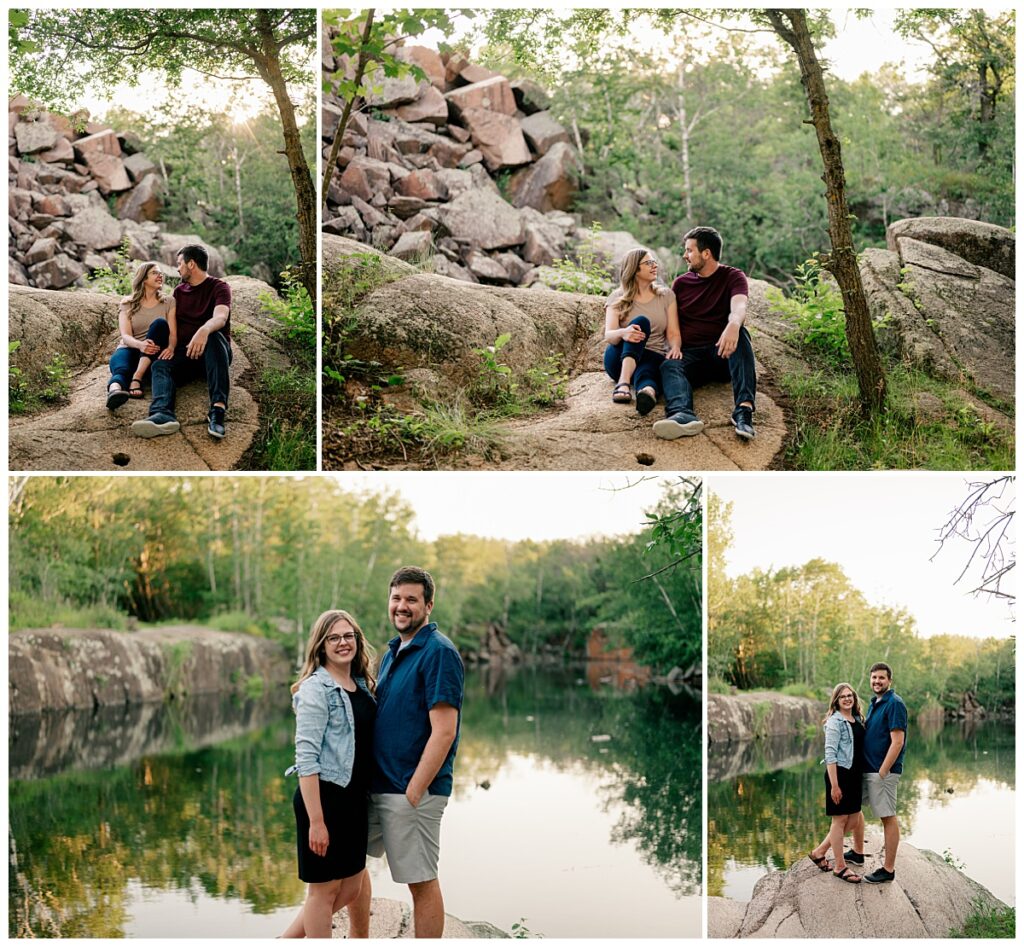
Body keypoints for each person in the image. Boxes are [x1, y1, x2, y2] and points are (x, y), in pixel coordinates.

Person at [348, 566, 464, 939]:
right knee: (349, 864)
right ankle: (359, 938)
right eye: (396, 598)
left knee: (421, 881)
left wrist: (415, 789)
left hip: (411, 791)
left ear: (428, 605)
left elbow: (444, 731)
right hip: (378, 785)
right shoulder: (394, 651)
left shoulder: (439, 653)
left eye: (411, 599)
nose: (402, 606)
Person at [280, 610, 377, 938]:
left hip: (353, 801)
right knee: (322, 893)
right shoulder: (315, 689)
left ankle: (284, 941)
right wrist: (317, 821)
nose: (342, 642)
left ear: (357, 639)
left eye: (348, 635)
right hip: (324, 799)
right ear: (321, 646)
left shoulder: (360, 684)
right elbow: (306, 760)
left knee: (351, 887)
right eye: (333, 638)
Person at [654, 226, 757, 441]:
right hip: (692, 358)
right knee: (669, 365)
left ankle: (743, 412)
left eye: (689, 251)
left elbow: (739, 306)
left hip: (722, 354)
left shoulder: (733, 276)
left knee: (742, 336)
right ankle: (682, 414)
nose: (685, 256)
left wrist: (733, 324)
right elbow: (671, 321)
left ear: (706, 253)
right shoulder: (681, 283)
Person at [131, 243, 232, 440]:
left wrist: (204, 329)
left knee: (213, 335)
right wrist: (168, 346)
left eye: (180, 263)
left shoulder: (219, 287)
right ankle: (162, 415)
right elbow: (171, 325)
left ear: (191, 264)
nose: (177, 268)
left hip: (214, 354)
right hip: (187, 355)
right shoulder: (179, 291)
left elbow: (221, 317)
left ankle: (217, 412)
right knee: (160, 364)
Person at [603, 247, 682, 416]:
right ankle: (623, 382)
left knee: (648, 369)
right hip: (618, 358)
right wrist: (624, 332)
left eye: (654, 262)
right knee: (641, 322)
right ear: (634, 269)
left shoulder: (666, 296)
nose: (654, 266)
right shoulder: (617, 297)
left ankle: (647, 393)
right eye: (648, 263)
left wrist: (675, 347)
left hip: (652, 356)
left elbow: (673, 333)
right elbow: (609, 335)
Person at [807, 683, 865, 883]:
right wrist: (834, 785)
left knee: (854, 819)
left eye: (850, 695)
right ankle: (840, 867)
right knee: (839, 821)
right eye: (843, 697)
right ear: (836, 701)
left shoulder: (857, 719)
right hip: (839, 776)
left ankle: (819, 852)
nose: (847, 699)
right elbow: (830, 754)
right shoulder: (835, 722)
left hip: (855, 776)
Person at [858, 661, 907, 884]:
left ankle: (888, 869)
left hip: (883, 772)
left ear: (889, 681)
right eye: (874, 677)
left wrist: (883, 771)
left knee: (887, 817)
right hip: (869, 769)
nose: (877, 681)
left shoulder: (895, 704)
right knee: (853, 810)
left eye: (881, 678)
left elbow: (897, 742)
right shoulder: (875, 703)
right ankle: (857, 852)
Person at [105, 261, 176, 409]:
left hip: (153, 352)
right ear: (143, 278)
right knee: (122, 368)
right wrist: (140, 345)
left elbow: (172, 332)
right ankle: (114, 392)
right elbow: (125, 336)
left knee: (159, 324)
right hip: (131, 347)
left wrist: (171, 347)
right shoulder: (127, 303)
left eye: (161, 273)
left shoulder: (168, 301)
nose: (160, 276)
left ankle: (137, 378)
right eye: (155, 273)